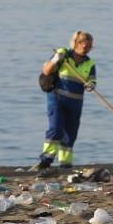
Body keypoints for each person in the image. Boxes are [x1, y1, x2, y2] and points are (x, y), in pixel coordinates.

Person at [37, 31, 96, 172]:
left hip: (75, 102)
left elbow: (92, 80)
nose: (85, 47)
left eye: (88, 46)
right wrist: (56, 59)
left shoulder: (90, 63)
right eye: (82, 44)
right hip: (57, 99)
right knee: (56, 129)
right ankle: (46, 161)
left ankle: (65, 164)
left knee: (70, 133)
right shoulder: (63, 55)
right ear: (75, 43)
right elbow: (46, 71)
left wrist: (91, 85)